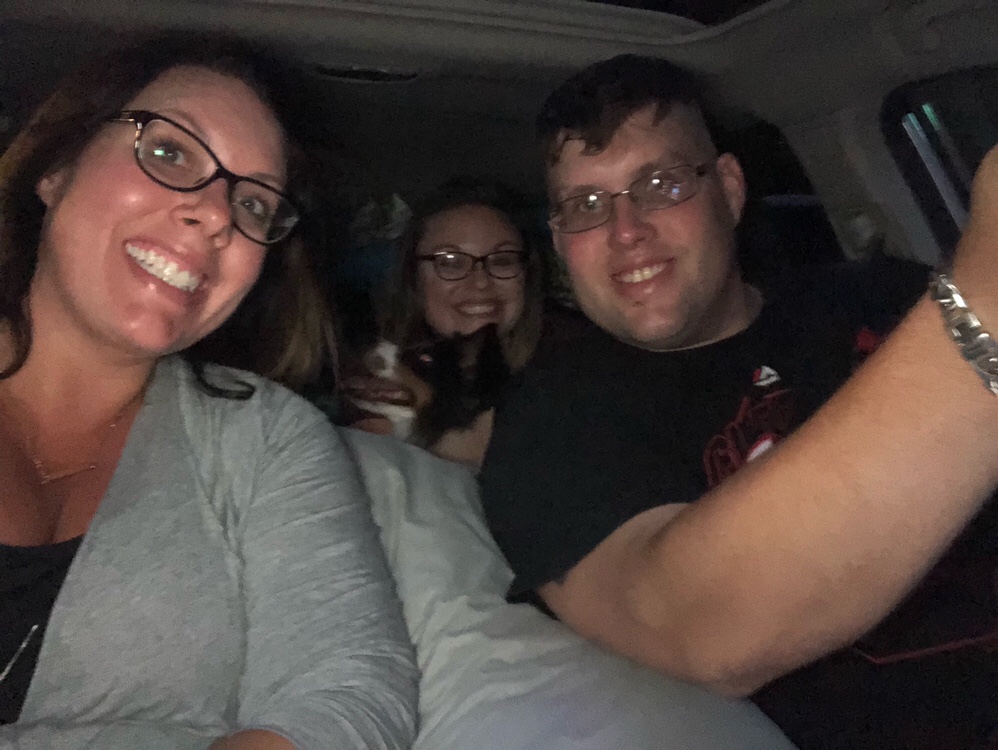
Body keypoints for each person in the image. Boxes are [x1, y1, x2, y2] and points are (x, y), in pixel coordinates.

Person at [479, 54, 998, 749]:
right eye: (586, 206)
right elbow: (701, 626)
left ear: (727, 188)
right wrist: (984, 306)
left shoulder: (886, 295)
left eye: (662, 184)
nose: (626, 231)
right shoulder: (550, 421)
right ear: (560, 242)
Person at [0, 33, 417, 750]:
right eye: (170, 152)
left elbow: (350, 689)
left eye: (254, 204)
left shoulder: (265, 437)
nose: (219, 214)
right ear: (56, 168)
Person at [348, 176, 545, 467]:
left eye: (502, 260)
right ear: (413, 277)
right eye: (451, 261)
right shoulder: (369, 383)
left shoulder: (565, 381)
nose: (480, 282)